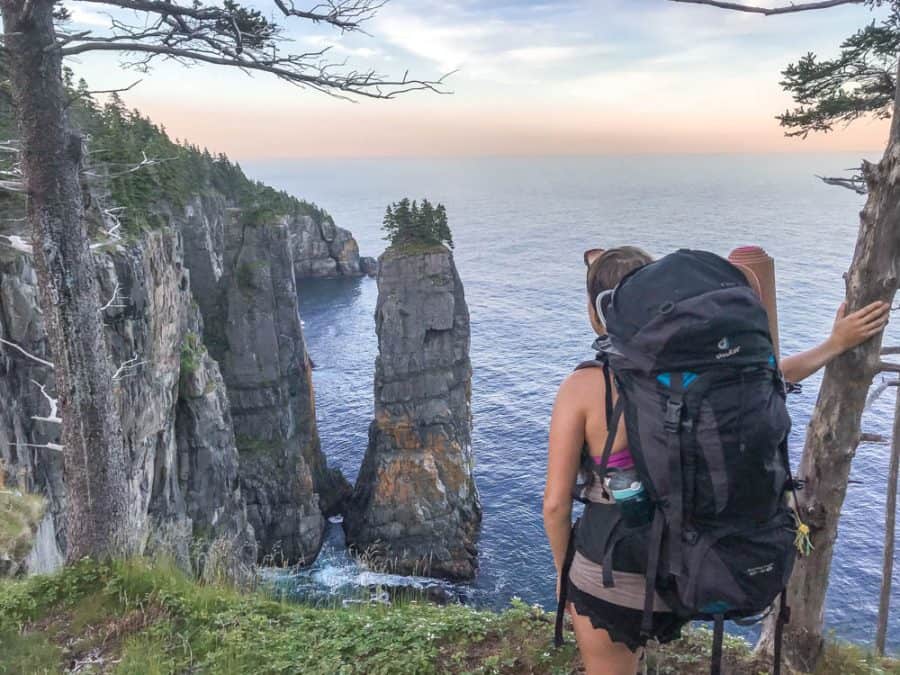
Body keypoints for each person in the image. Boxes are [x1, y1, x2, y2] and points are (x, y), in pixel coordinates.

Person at [544, 247, 890, 675]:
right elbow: (773, 377)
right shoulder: (701, 378)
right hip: (690, 563)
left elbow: (556, 505)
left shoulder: (583, 387)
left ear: (600, 313)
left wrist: (564, 573)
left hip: (614, 573)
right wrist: (835, 344)